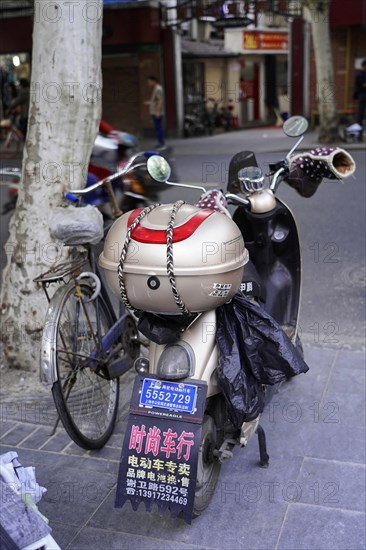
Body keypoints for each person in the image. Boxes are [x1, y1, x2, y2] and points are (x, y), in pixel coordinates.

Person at [145, 75, 165, 150]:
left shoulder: (158, 89)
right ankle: (160, 142)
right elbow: (156, 101)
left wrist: (158, 112)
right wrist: (150, 103)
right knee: (157, 128)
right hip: (154, 112)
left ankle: (161, 143)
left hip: (156, 112)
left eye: (149, 82)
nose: (148, 84)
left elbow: (160, 101)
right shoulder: (156, 89)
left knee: (158, 127)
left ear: (154, 81)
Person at [353, 59, 366, 128]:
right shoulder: (360, 74)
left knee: (361, 111)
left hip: (362, 94)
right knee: (361, 111)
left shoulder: (363, 74)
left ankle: (359, 124)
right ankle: (359, 125)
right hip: (362, 95)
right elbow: (362, 85)